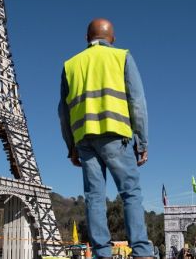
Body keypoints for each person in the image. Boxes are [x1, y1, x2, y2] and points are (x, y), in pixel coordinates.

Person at [58, 18, 153, 259]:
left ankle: (102, 253)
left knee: (94, 197)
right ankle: (141, 251)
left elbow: (63, 111)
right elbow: (137, 103)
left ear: (86, 38)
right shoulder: (122, 57)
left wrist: (71, 147)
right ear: (112, 38)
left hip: (84, 139)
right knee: (130, 192)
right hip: (115, 134)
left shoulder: (71, 65)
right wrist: (142, 141)